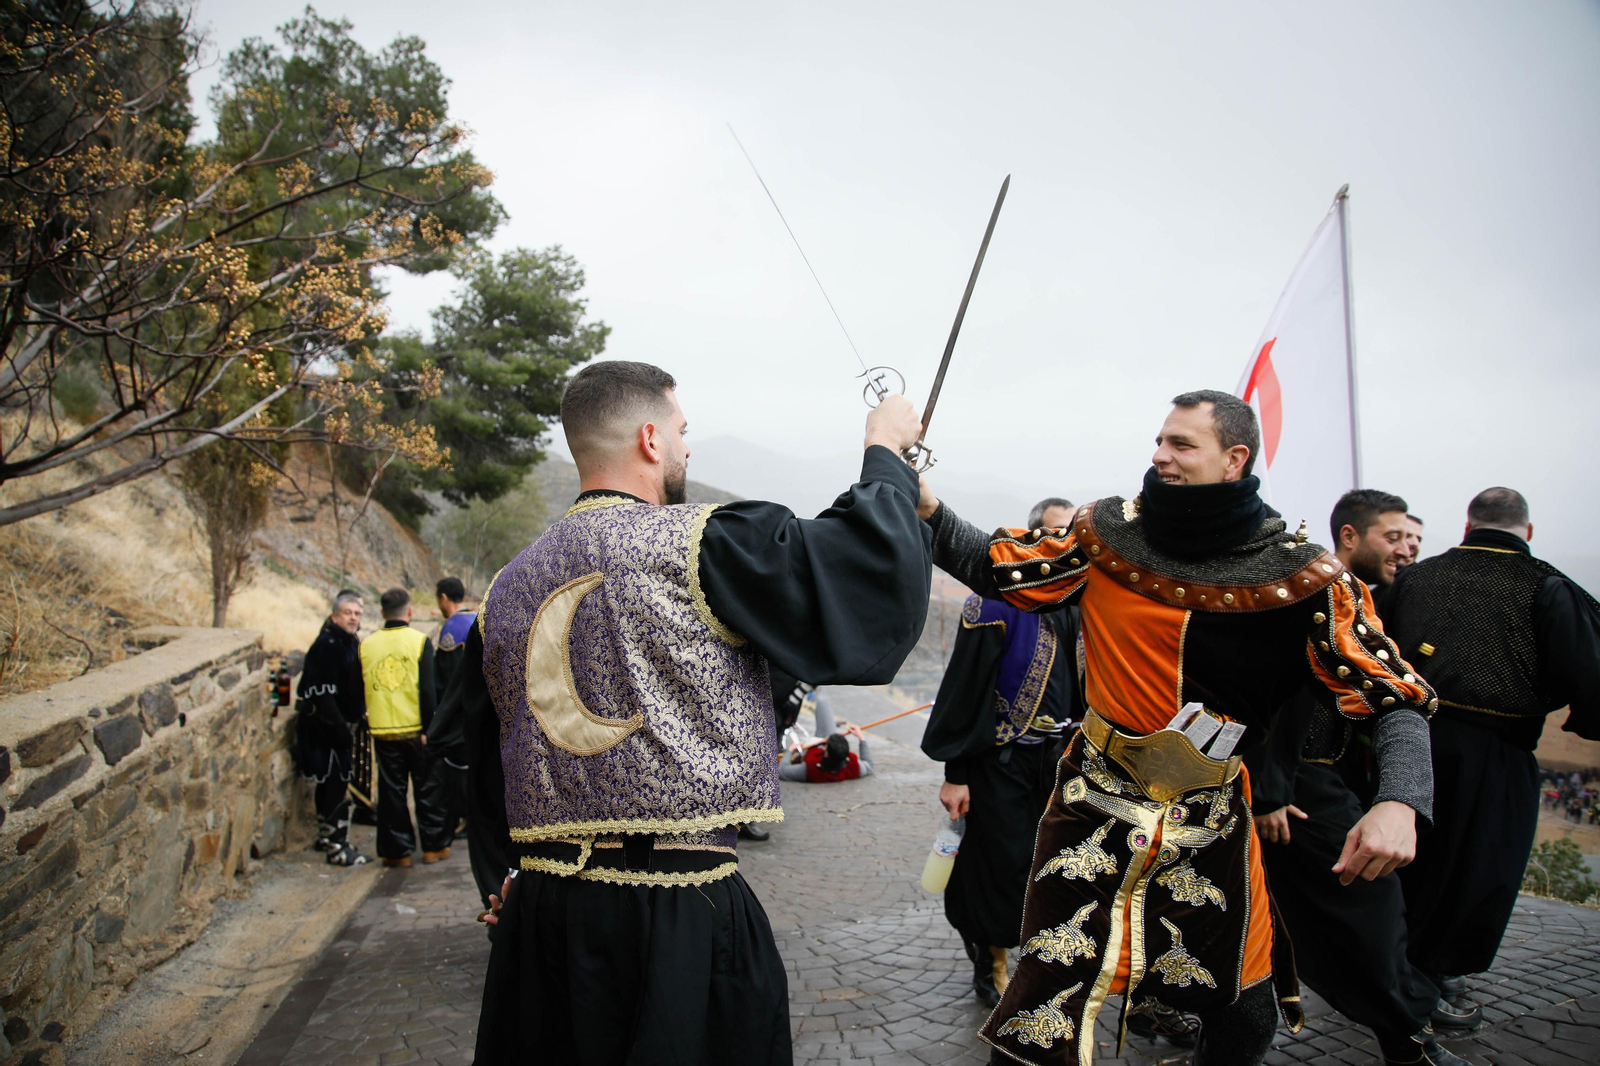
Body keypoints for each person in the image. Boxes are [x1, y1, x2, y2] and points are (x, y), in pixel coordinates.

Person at [918, 390, 1437, 1066]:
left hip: (1211, 815)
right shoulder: (1104, 533)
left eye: (1182, 444)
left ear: (1234, 458)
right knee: (1043, 1008)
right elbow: (1001, 567)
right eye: (1160, 441)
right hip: (1092, 804)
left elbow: (1395, 694)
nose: (1161, 455)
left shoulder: (1308, 578)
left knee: (1246, 1013)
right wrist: (926, 507)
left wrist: (1400, 798)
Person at [467, 360, 931, 1065]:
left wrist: (508, 875)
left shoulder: (506, 585)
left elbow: (483, 751)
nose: (688, 448)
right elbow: (860, 575)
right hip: (677, 919)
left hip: (540, 918)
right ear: (651, 439)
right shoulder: (702, 542)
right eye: (684, 432)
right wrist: (885, 449)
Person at [1247, 489, 1466, 1065]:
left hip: (1326, 778)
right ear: (1350, 536)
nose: (1407, 550)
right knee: (1361, 903)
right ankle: (1405, 1028)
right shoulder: (1311, 592)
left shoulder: (1368, 598)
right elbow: (1282, 700)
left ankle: (1405, 1018)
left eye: (1414, 540)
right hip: (1295, 785)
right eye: (1393, 538)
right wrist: (1272, 791)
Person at [1384, 487, 1600, 1009]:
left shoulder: (1416, 577)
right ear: (1526, 532)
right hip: (1497, 755)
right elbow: (1590, 673)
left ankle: (1395, 962)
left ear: (1466, 527)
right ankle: (1438, 974)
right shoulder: (1548, 586)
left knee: (1410, 861)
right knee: (1478, 867)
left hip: (1403, 742)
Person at [921, 496, 1081, 1010]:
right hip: (1000, 763)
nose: (1064, 549)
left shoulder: (1082, 608)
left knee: (1053, 866)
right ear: (1032, 542)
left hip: (1059, 764)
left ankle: (1039, 957)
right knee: (1000, 865)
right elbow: (964, 692)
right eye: (1054, 536)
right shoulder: (992, 607)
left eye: (1071, 538)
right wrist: (957, 773)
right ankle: (992, 962)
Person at [361, 587, 450, 868]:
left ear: (382, 612)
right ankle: (433, 846)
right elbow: (427, 690)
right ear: (409, 612)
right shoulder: (419, 642)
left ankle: (397, 851)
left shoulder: (366, 644)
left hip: (383, 729)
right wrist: (430, 729)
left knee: (391, 793)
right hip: (416, 730)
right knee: (426, 788)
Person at [294, 590, 369, 867]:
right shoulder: (327, 644)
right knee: (335, 783)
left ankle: (327, 837)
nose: (353, 618)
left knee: (331, 783)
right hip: (323, 726)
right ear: (335, 615)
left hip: (334, 724)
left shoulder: (347, 641)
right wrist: (339, 726)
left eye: (358, 614)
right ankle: (337, 846)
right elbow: (321, 691)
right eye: (348, 613)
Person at [428, 577, 475, 838]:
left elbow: (446, 680)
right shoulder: (479, 619)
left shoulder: (452, 630)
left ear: (443, 598)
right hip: (482, 711)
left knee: (457, 769)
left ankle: (462, 818)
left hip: (459, 715)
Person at [779, 693, 876, 781]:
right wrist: (861, 738)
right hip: (826, 747)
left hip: (809, 749)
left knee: (822, 700)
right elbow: (869, 766)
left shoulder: (810, 769)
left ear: (826, 754)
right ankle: (833, 725)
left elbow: (781, 772)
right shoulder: (852, 767)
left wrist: (790, 750)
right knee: (822, 702)